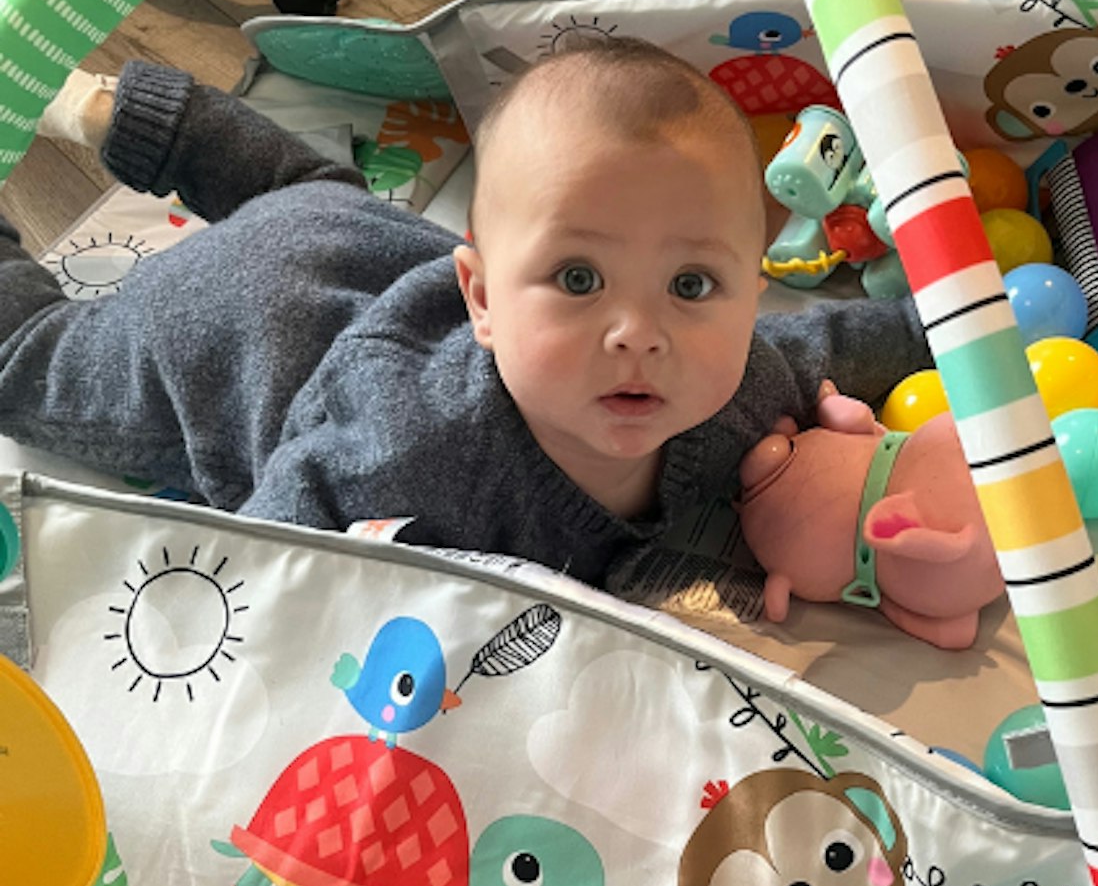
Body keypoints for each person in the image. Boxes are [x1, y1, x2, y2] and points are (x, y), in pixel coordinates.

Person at [0, 41, 932, 584]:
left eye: (692, 287)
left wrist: (954, 323)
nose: (638, 333)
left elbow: (827, 341)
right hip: (218, 336)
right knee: (33, 360)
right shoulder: (413, 455)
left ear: (748, 296)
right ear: (480, 298)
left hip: (350, 237)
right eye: (578, 279)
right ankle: (99, 103)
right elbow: (270, 562)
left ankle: (132, 115)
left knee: (309, 190)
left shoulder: (737, 384)